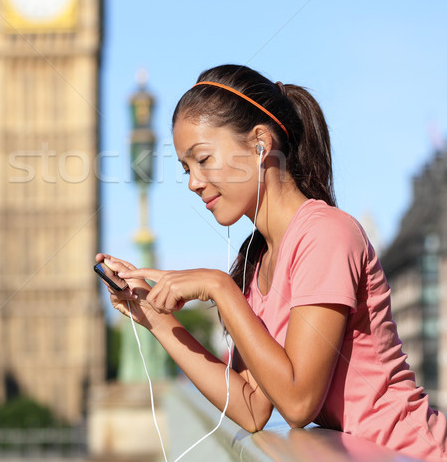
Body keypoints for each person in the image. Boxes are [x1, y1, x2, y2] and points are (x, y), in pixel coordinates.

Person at [96, 64, 447, 461]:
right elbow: (250, 407)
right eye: (185, 168)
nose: (193, 182)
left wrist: (219, 287)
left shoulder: (326, 234)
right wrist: (153, 317)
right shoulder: (256, 261)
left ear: (261, 143)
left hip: (413, 453)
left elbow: (298, 403)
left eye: (203, 159)